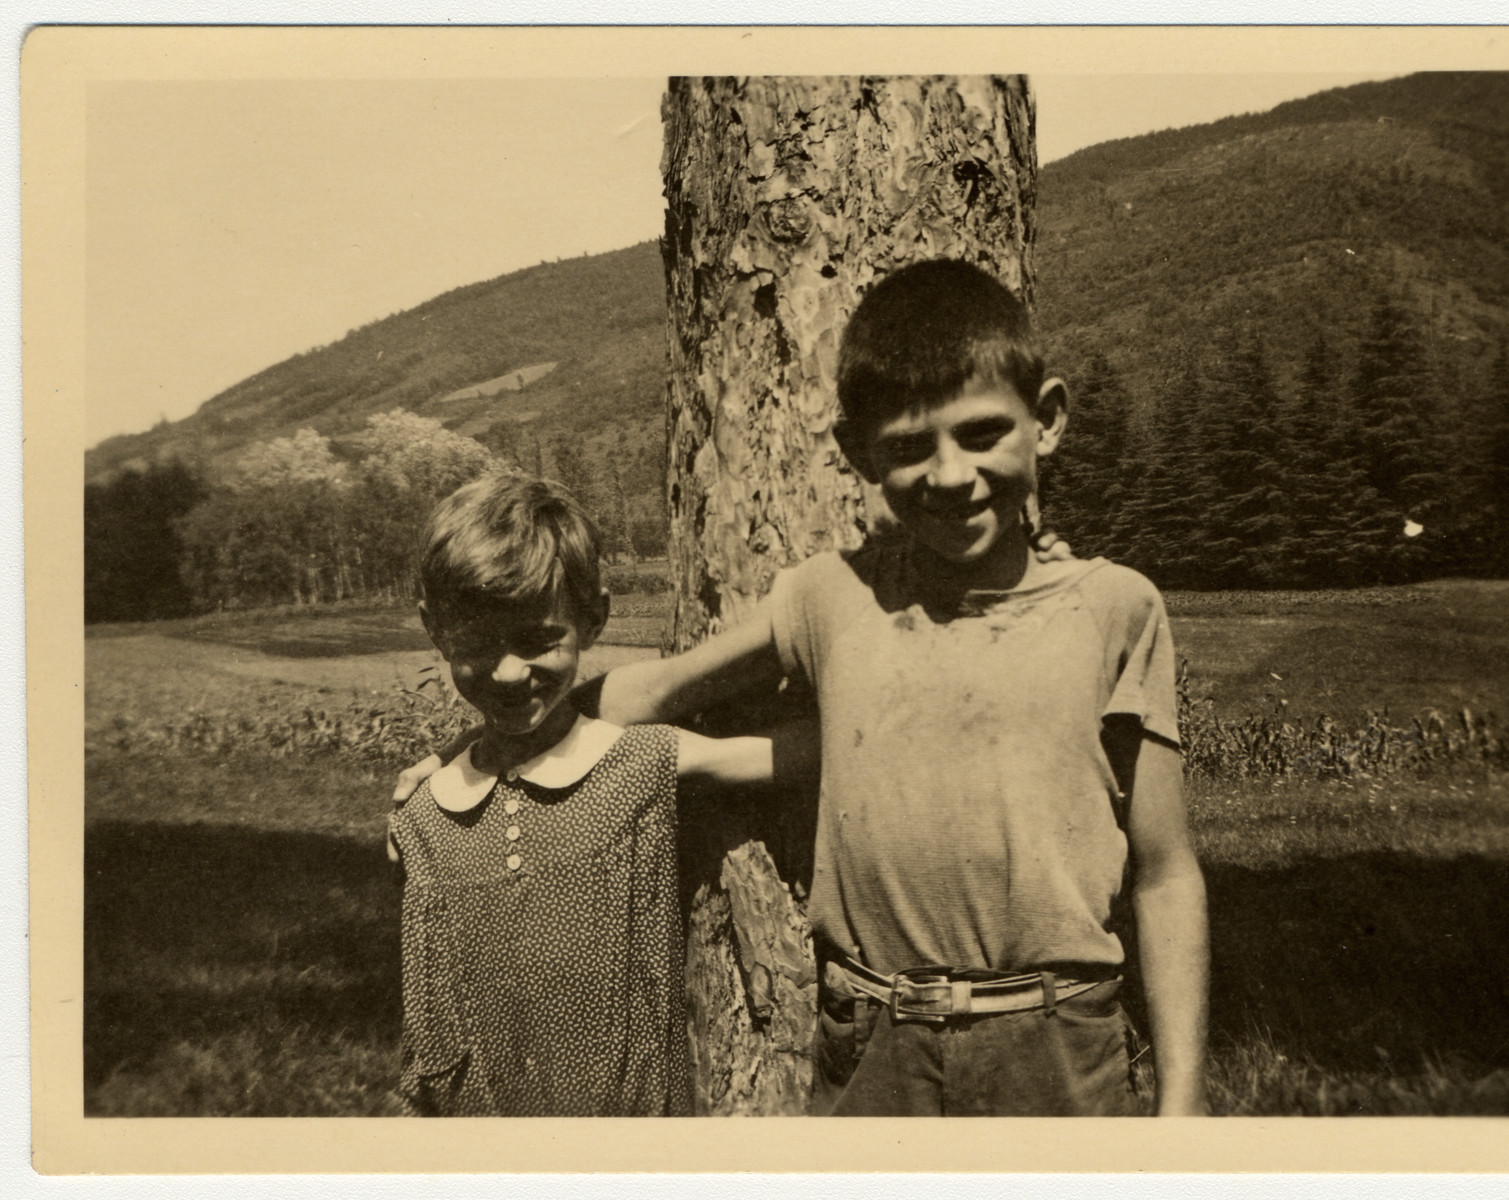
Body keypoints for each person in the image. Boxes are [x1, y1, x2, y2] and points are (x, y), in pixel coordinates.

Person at [399, 259, 1209, 1117]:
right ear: (858, 454)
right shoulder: (831, 597)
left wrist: (1183, 1100)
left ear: (1044, 420)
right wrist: (467, 759)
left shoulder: (1117, 610)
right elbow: (649, 691)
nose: (949, 475)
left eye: (981, 434)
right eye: (905, 448)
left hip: (1056, 1037)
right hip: (874, 1039)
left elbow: (1164, 873)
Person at [387, 473, 794, 1116]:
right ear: (434, 629)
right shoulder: (422, 821)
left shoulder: (637, 761)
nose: (507, 672)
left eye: (538, 640)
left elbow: (779, 745)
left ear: (594, 617)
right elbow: (429, 1029)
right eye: (476, 645)